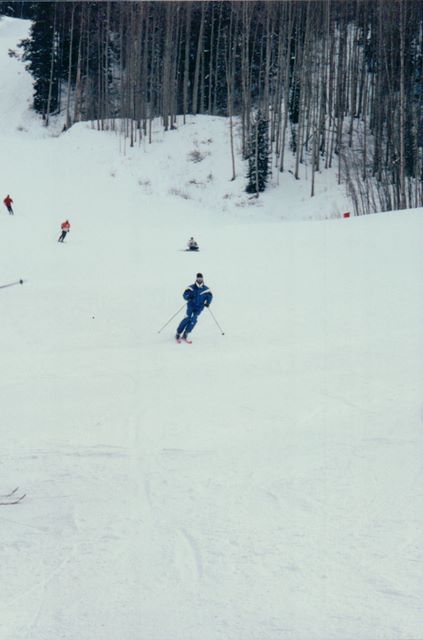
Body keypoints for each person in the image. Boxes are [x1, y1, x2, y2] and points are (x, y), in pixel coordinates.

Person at [176, 273, 213, 343]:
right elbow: (185, 295)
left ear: (203, 279)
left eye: (201, 278)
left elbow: (210, 296)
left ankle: (186, 333)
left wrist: (208, 303)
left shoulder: (206, 289)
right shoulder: (191, 287)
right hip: (191, 305)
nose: (199, 280)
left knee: (194, 319)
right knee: (187, 318)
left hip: (199, 307)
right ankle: (178, 333)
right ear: (196, 279)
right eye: (198, 278)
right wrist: (188, 297)